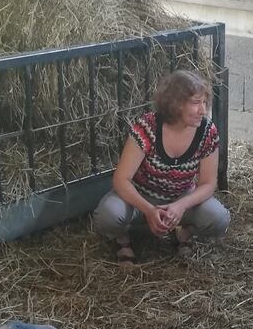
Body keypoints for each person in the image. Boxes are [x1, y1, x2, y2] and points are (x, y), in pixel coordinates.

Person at [93, 69, 230, 262]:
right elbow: (121, 179)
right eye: (195, 103)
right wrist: (148, 210)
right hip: (141, 197)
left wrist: (181, 205)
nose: (202, 109)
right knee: (109, 215)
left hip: (182, 197)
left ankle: (182, 233)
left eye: (204, 102)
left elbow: (208, 183)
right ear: (175, 104)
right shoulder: (147, 127)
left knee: (219, 218)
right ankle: (122, 239)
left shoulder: (207, 131)